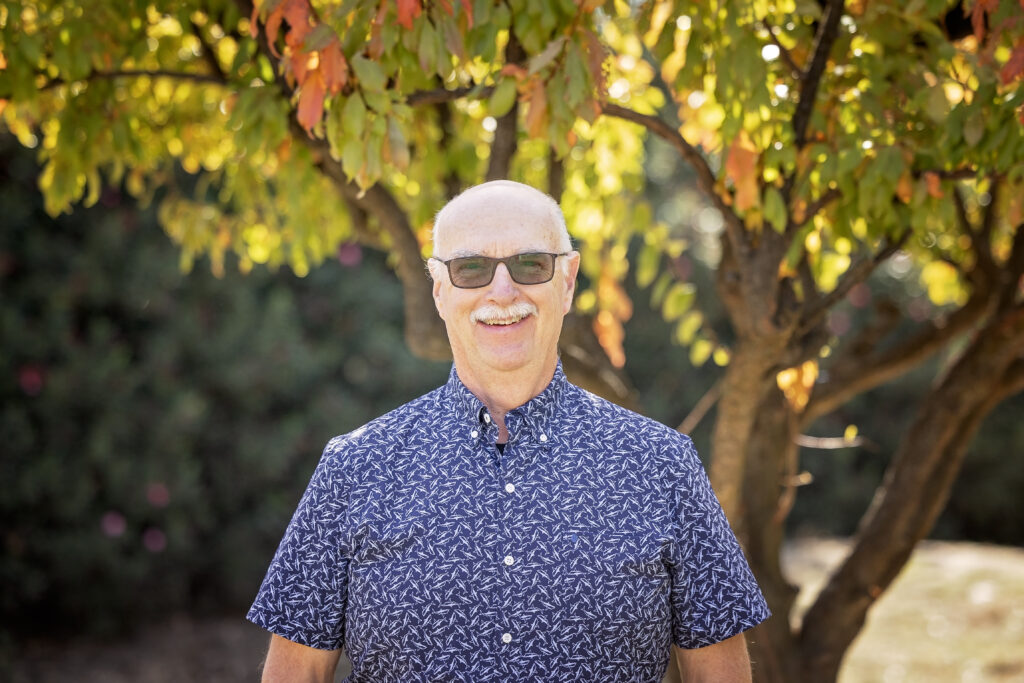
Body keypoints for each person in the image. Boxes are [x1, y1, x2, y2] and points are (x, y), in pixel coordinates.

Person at [247, 180, 770, 682]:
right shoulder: (354, 468)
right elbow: (297, 672)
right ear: (438, 291)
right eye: (470, 267)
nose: (502, 291)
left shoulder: (663, 465)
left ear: (567, 282)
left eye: (530, 264)